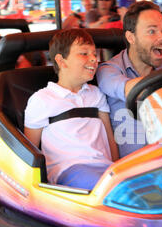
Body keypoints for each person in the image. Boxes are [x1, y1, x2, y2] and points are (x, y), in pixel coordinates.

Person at [96, 1, 162, 157]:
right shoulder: (109, 70)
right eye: (152, 31)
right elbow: (130, 90)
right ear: (131, 37)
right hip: (133, 169)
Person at [24, 29, 119, 190]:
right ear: (61, 61)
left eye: (94, 54)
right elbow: (28, 151)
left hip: (105, 168)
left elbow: (110, 139)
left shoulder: (96, 94)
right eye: (84, 53)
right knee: (110, 189)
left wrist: (118, 167)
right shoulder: (43, 99)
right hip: (68, 170)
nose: (94, 59)